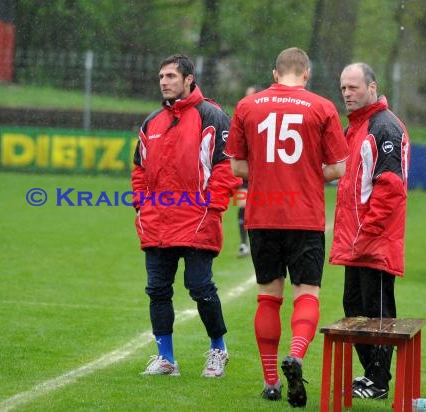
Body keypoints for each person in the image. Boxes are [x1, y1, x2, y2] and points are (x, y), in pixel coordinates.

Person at [225, 47, 348, 407]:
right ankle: (295, 355)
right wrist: (305, 175)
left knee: (268, 297)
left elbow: (236, 168)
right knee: (306, 294)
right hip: (305, 216)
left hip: (262, 216)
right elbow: (338, 169)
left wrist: (268, 174)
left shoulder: (248, 106)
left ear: (275, 74)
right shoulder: (322, 107)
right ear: (306, 74)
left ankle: (270, 382)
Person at [131, 53, 241, 378]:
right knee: (158, 290)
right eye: (161, 77)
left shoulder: (213, 116)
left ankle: (218, 350)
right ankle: (166, 358)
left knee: (200, 287)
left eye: (171, 76)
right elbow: (139, 168)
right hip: (157, 222)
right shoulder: (151, 121)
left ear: (189, 79)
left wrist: (213, 205)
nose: (164, 82)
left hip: (197, 221)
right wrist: (142, 204)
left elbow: (228, 166)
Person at [329, 63, 410, 400]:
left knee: (377, 313)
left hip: (374, 242)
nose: (347, 94)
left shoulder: (385, 128)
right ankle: (373, 376)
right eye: (344, 88)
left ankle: (377, 381)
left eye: (354, 88)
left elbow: (390, 190)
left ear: (372, 88)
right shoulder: (357, 127)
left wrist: (366, 234)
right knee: (353, 308)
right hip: (356, 240)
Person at [236, 85, 261, 258]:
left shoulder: (267, 119)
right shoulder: (241, 117)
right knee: (242, 204)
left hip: (263, 175)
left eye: (250, 96)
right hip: (244, 173)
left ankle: (258, 242)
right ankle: (244, 243)